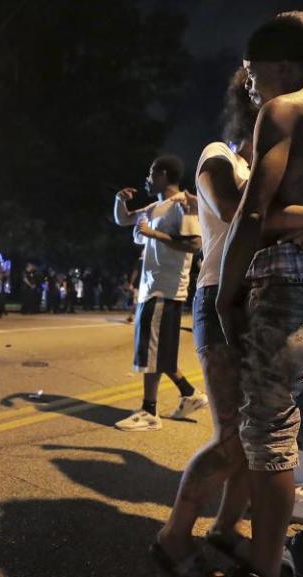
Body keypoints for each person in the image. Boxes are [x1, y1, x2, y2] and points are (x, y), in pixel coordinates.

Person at [153, 66, 303, 573]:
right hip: (221, 296)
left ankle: (225, 530)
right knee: (231, 439)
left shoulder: (286, 173)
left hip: (270, 299)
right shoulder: (218, 157)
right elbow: (231, 209)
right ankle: (173, 537)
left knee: (257, 437)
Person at [216, 12, 303, 577]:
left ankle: (266, 566)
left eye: (252, 71)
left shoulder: (283, 110)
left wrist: (227, 295)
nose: (249, 83)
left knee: (270, 434)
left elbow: (251, 213)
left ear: (280, 63)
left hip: (283, 283)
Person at [112, 154, 208, 431]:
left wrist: (154, 236)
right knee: (159, 351)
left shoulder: (184, 204)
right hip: (151, 287)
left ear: (164, 174)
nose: (147, 177)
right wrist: (120, 200)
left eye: (151, 172)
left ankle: (149, 411)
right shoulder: (156, 207)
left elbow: (194, 243)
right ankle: (189, 394)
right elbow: (124, 220)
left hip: (164, 288)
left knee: (151, 352)